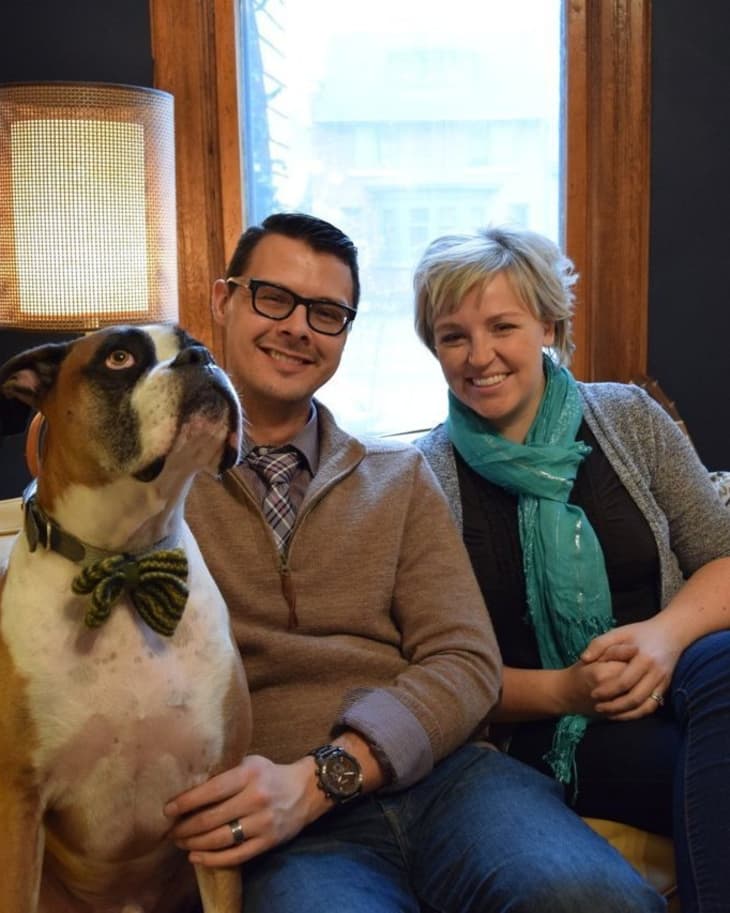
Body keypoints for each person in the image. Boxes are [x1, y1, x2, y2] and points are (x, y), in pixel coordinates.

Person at [167, 212, 664, 913]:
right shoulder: (154, 492)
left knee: (592, 899)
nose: (297, 327)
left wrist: (327, 774)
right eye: (272, 297)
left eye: (327, 312)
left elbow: (465, 659)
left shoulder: (396, 476)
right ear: (223, 299)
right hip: (282, 822)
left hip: (451, 782)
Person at [413, 224, 730, 913]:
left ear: (549, 326)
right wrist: (567, 689)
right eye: (453, 336)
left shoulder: (629, 417)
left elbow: (723, 558)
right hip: (557, 727)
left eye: (503, 326)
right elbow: (438, 670)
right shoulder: (424, 479)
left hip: (685, 672)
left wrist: (663, 637)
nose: (480, 356)